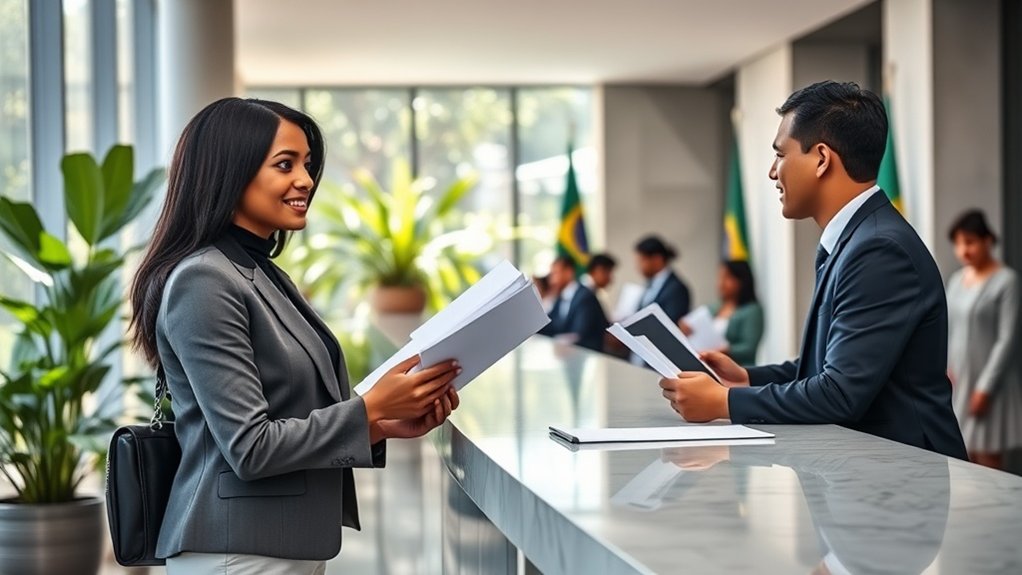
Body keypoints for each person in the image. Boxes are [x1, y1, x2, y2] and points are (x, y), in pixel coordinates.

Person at [128, 98, 461, 574]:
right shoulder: (204, 279)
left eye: (306, 164)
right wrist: (370, 408)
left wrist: (379, 426)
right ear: (231, 172)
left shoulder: (258, 272)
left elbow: (288, 416)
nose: (306, 180)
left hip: (276, 547)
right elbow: (250, 446)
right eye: (285, 164)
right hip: (237, 553)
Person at [658, 81, 967, 459]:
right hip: (873, 473)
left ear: (821, 159)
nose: (773, 172)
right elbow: (830, 366)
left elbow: (839, 393)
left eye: (780, 155)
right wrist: (748, 378)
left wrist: (726, 402)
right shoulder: (858, 238)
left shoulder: (878, 250)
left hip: (906, 477)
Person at [946, 209, 1022, 469]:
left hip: (988, 385)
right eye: (958, 243)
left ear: (987, 240)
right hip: (959, 382)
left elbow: (1007, 339)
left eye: (970, 242)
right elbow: (948, 328)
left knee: (987, 462)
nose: (963, 250)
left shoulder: (1006, 281)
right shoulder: (957, 280)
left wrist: (986, 387)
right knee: (961, 459)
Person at [680, 260, 764, 366]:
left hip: (738, 369)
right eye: (720, 278)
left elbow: (749, 348)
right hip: (709, 367)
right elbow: (693, 323)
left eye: (727, 278)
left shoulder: (752, 310)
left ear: (741, 281)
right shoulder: (715, 307)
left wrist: (723, 351)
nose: (721, 283)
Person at [538, 255, 609, 352]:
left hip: (589, 355)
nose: (551, 281)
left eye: (555, 274)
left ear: (569, 272)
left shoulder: (585, 297)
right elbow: (551, 324)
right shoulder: (561, 296)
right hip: (569, 354)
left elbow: (579, 334)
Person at [634, 235, 691, 322]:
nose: (639, 266)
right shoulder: (650, 284)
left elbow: (671, 323)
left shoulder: (676, 289)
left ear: (657, 259)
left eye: (642, 260)